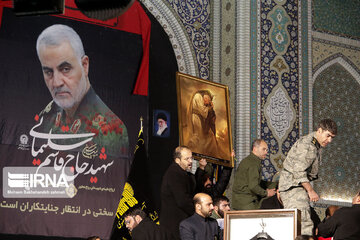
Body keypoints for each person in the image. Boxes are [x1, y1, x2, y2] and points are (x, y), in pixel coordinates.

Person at [35, 24, 128, 157]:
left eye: (65, 69)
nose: (56, 83)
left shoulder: (110, 130)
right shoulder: (47, 116)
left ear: (84, 66)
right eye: (48, 72)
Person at [279, 119, 337, 236]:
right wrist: (311, 191)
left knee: (299, 224)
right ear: (319, 130)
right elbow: (299, 171)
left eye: (332, 137)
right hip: (293, 188)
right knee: (303, 226)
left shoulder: (314, 143)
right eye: (328, 136)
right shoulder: (308, 145)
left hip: (294, 187)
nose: (329, 140)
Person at [160, 146, 196, 240]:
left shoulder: (181, 173)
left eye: (191, 158)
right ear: (177, 160)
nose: (190, 161)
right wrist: (198, 214)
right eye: (187, 159)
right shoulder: (174, 174)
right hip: (175, 225)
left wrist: (201, 169)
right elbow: (182, 200)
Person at [232, 139, 276, 210]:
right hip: (246, 202)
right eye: (263, 149)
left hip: (239, 201)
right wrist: (267, 193)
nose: (266, 152)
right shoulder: (253, 163)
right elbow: (253, 186)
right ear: (255, 149)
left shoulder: (249, 160)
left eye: (267, 150)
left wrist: (272, 185)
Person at [187, 90, 219, 158]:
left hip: (198, 118)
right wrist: (209, 108)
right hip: (196, 118)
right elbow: (203, 112)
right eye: (209, 101)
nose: (207, 103)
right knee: (197, 136)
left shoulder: (200, 98)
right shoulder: (198, 96)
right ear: (206, 97)